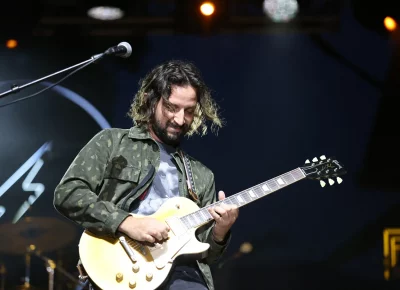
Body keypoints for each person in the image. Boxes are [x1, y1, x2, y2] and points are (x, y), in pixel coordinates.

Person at [53, 60, 239, 290]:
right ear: (150, 101)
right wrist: (126, 222)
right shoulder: (112, 142)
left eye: (189, 111)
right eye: (172, 107)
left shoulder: (201, 175)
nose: (180, 120)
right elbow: (68, 193)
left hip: (181, 277)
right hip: (117, 267)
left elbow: (208, 257)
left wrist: (220, 233)